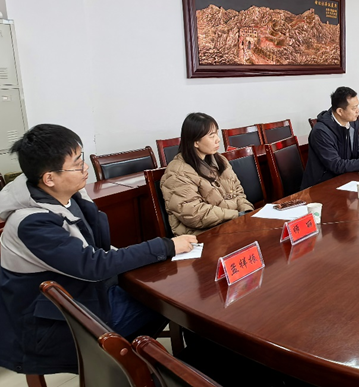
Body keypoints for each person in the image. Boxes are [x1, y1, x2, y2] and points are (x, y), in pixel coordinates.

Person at [0, 124, 196, 375]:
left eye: (81, 157)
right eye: (76, 163)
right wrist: (165, 245)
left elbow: (98, 250)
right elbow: (94, 264)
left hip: (85, 294)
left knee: (170, 292)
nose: (85, 167)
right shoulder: (31, 223)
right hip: (54, 324)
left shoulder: (67, 196)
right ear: (49, 178)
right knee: (170, 304)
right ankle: (142, 368)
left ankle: (157, 361)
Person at [161, 113, 254, 236]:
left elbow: (238, 191)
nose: (218, 139)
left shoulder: (219, 160)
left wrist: (247, 211)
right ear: (195, 142)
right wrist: (236, 215)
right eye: (212, 135)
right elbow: (194, 213)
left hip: (230, 224)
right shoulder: (177, 173)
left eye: (217, 133)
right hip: (203, 235)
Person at [301, 87, 359, 189]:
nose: (358, 111)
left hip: (345, 179)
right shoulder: (321, 132)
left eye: (357, 106)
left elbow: (358, 149)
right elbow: (336, 165)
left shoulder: (352, 123)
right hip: (321, 186)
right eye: (354, 108)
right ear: (340, 111)